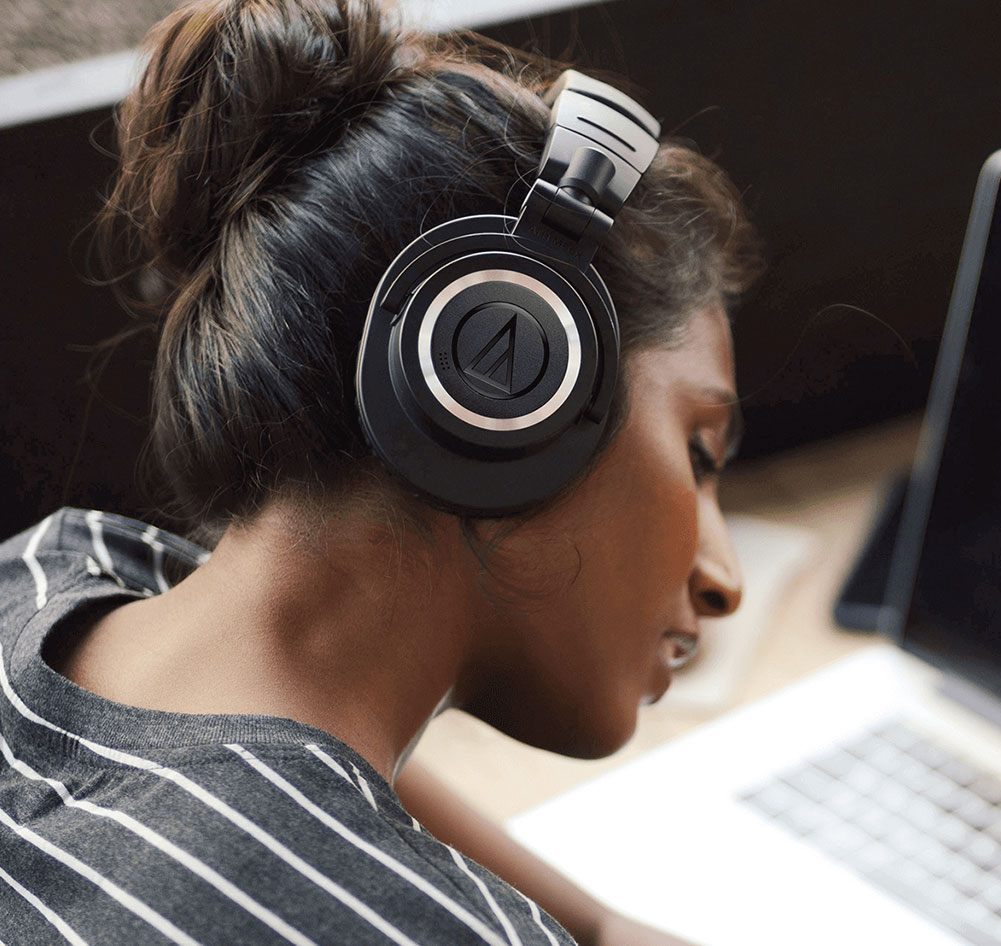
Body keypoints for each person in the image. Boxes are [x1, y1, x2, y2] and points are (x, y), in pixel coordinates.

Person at [0, 0, 762, 943]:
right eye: (698, 453)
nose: (725, 580)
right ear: (500, 392)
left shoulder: (51, 569)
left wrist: (597, 927)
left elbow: (283, 792)